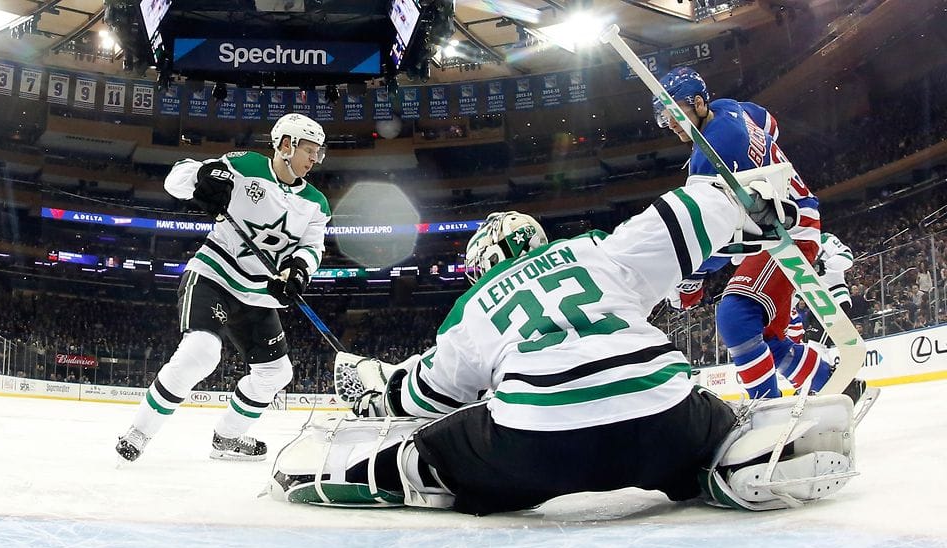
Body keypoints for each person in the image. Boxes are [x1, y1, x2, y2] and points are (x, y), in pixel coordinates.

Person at [271, 175, 866, 515]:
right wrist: (747, 200)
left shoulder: (473, 306)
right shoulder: (595, 249)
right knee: (716, 420)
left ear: (485, 261)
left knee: (435, 447)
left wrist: (379, 391)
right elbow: (684, 213)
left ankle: (376, 474)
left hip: (537, 447)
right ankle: (732, 457)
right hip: (664, 421)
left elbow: (431, 394)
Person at [116, 113, 330, 462]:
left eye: (318, 152)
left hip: (258, 293)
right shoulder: (245, 165)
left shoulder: (316, 203)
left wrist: (298, 271)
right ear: (286, 145)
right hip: (214, 275)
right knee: (200, 352)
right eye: (309, 150)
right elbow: (177, 178)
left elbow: (312, 246)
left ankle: (227, 438)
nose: (315, 158)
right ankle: (138, 432)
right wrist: (203, 176)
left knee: (277, 373)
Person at [654, 66, 859, 400]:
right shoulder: (733, 108)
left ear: (698, 103)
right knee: (765, 337)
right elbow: (771, 126)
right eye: (664, 118)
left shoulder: (709, 157)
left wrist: (692, 276)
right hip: (784, 220)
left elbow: (715, 232)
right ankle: (840, 386)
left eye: (675, 113)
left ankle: (766, 410)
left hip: (785, 230)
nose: (672, 124)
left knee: (735, 316)